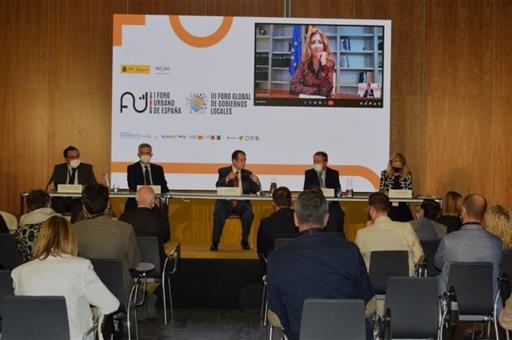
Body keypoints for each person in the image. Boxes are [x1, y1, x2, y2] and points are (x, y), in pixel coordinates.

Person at [267, 189, 375, 340]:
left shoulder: (277, 258)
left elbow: (275, 316)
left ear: (296, 219)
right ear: (326, 219)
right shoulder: (349, 251)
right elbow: (370, 305)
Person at [11, 215, 119, 340]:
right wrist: (94, 312)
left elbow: (21, 313)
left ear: (40, 238)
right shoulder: (81, 266)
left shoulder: (18, 272)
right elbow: (112, 304)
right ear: (70, 239)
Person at [72, 183, 140, 299]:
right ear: (108, 205)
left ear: (83, 208)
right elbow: (134, 263)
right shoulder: (126, 229)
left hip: (85, 294)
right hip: (120, 294)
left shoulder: (73, 230)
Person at [434, 193, 502, 296]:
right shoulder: (496, 243)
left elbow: (438, 264)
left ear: (463, 211)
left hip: (453, 301)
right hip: (486, 303)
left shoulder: (448, 240)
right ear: (483, 213)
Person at [355, 192, 424, 276]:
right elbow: (420, 256)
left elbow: (356, 262)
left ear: (371, 210)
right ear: (388, 209)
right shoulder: (406, 228)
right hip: (403, 283)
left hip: (373, 284)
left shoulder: (362, 234)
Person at [211, 150, 261, 251]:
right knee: (219, 211)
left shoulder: (247, 174)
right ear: (234, 161)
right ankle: (215, 242)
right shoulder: (223, 171)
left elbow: (255, 190)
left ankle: (244, 240)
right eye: (241, 160)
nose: (244, 163)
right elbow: (218, 185)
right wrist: (227, 178)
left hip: (241, 204)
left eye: (245, 160)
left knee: (249, 214)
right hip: (226, 203)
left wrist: (257, 181)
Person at [120, 186, 170, 263]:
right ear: (153, 201)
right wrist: (157, 209)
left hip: (130, 265)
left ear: (136, 199)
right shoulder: (160, 219)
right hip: (156, 264)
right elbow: (166, 238)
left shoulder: (124, 218)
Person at [46, 145, 97, 222]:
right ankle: (59, 230)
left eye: (77, 157)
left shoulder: (87, 168)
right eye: (72, 157)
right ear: (66, 159)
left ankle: (75, 230)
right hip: (62, 198)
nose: (75, 159)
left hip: (78, 199)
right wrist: (50, 188)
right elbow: (50, 186)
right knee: (57, 204)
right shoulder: (59, 168)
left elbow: (94, 186)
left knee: (78, 208)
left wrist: (85, 187)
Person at [303, 151, 345, 236]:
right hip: (314, 204)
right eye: (314, 161)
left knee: (336, 214)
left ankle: (334, 237)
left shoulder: (333, 173)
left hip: (330, 204)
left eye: (318, 162)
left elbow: (337, 190)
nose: (316, 164)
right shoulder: (309, 173)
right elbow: (306, 190)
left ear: (325, 162)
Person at [290, 27, 335, 97]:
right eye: (313, 42)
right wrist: (316, 90)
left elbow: (326, 91)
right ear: (309, 46)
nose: (317, 46)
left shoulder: (330, 64)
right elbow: (293, 87)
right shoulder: (304, 64)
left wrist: (324, 65)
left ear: (324, 46)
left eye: (320, 42)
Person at [15, 189, 59, 262]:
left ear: (28, 206)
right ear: (49, 203)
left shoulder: (23, 221)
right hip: (56, 262)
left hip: (29, 263)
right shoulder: (59, 221)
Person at [256, 186, 298, 261]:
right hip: (298, 263)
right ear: (291, 202)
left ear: (273, 203)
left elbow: (260, 251)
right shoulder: (301, 221)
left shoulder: (266, 223)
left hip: (273, 266)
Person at [125, 143, 170, 211]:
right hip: (138, 201)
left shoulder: (158, 169)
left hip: (156, 200)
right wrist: (147, 199)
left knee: (163, 208)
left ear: (151, 155)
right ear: (138, 155)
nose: (145, 155)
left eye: (148, 153)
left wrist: (157, 197)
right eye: (143, 153)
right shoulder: (132, 168)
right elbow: (132, 186)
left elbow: (164, 186)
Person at [379, 152, 413, 221]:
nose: (396, 164)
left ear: (403, 164)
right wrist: (385, 193)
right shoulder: (385, 174)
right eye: (394, 161)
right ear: (391, 163)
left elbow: (410, 190)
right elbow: (381, 189)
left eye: (398, 162)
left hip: (403, 207)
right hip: (388, 207)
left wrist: (408, 194)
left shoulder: (407, 174)